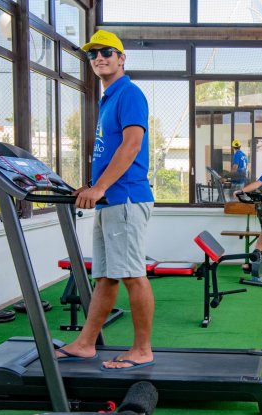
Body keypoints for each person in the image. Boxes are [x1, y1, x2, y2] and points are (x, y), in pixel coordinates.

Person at [54, 29, 155, 371]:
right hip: (110, 199)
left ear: (121, 58)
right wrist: (91, 187)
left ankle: (142, 350)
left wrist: (99, 188)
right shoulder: (108, 98)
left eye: (106, 52)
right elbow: (110, 151)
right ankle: (85, 344)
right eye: (92, 53)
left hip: (125, 198)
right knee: (106, 277)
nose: (99, 57)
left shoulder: (129, 93)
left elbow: (132, 145)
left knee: (132, 275)